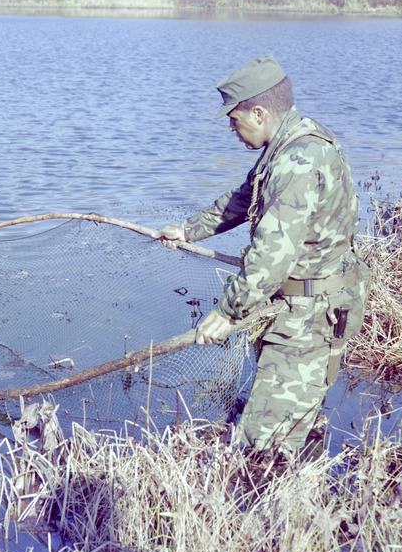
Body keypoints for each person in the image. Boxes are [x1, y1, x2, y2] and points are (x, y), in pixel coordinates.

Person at [158, 55, 370, 457]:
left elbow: (271, 257)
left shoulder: (296, 161)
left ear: (258, 113)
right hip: (307, 306)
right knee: (291, 422)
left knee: (263, 442)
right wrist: (189, 229)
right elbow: (246, 198)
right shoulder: (294, 139)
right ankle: (299, 484)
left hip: (311, 314)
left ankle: (273, 509)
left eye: (233, 119)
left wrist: (227, 312)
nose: (230, 128)